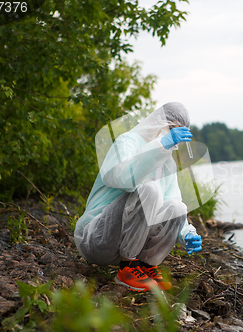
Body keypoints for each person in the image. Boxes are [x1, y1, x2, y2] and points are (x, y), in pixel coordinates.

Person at [74, 102, 202, 292]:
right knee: (150, 189)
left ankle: (147, 266)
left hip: (128, 244)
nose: (173, 139)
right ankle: (127, 269)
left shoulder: (168, 164)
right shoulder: (127, 142)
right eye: (171, 129)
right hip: (97, 237)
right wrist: (160, 146)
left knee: (178, 208)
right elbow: (122, 178)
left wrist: (186, 234)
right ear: (159, 122)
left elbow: (170, 202)